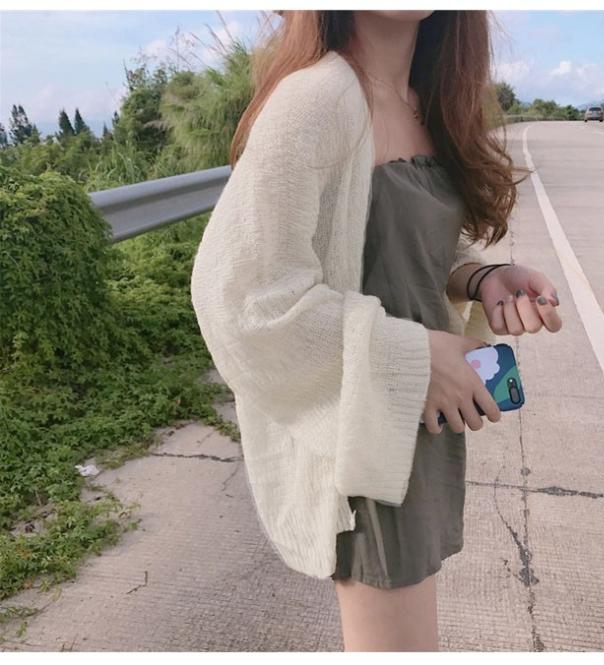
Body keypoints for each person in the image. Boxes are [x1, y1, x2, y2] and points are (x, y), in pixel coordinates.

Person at [190, 9, 563, 652]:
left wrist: (478, 277)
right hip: (368, 440)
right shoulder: (316, 100)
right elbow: (239, 296)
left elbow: (395, 251)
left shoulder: (424, 99)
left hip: (418, 427)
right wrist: (411, 357)